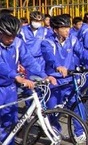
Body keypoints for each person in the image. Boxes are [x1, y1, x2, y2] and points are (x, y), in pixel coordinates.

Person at [0, 14, 56, 144]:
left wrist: (44, 75)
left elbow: (29, 60)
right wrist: (16, 77)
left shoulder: (17, 43)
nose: (11, 39)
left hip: (10, 88)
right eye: (8, 36)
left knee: (11, 123)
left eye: (14, 36)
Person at [41, 14, 88, 143]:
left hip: (70, 79)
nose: (67, 30)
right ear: (55, 30)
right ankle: (54, 132)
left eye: (68, 27)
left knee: (77, 106)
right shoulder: (47, 42)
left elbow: (82, 52)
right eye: (63, 28)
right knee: (53, 109)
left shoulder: (72, 39)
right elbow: (49, 57)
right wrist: (58, 66)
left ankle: (79, 134)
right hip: (54, 81)